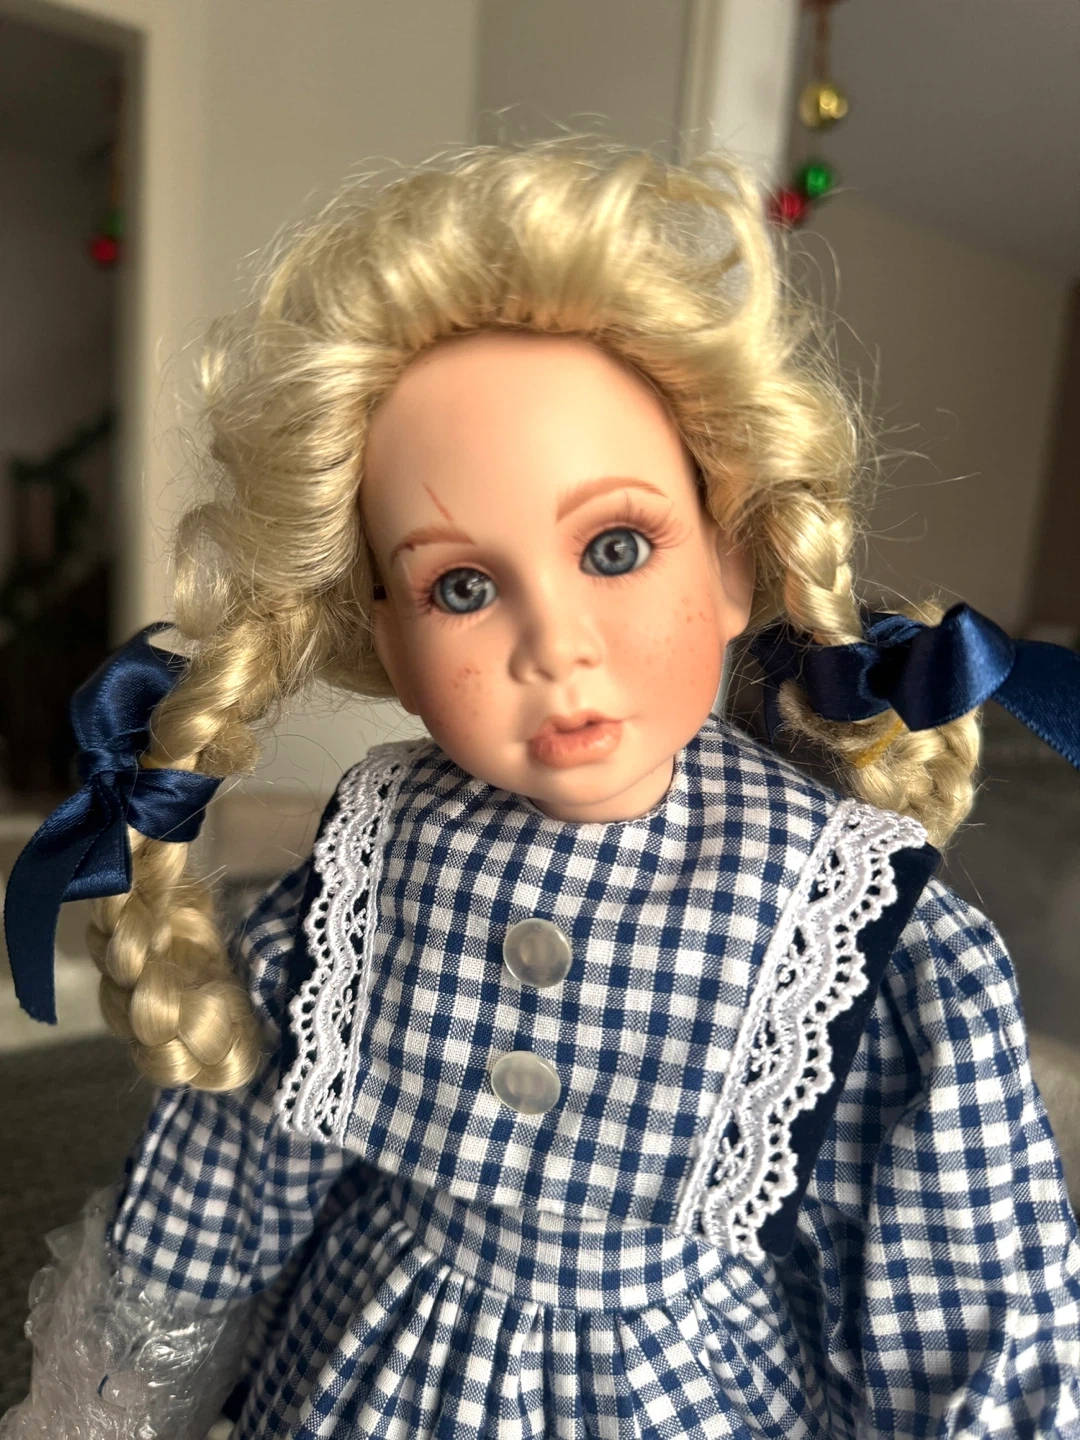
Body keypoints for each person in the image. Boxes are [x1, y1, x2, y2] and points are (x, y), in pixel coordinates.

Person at [3, 140, 1079, 1440]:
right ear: (391, 643)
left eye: (616, 547)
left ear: (732, 564)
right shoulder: (370, 869)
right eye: (462, 586)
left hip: (681, 1387)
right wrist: (111, 1399)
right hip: (369, 1361)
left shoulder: (850, 934)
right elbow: (240, 1169)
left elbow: (955, 1305)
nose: (554, 644)